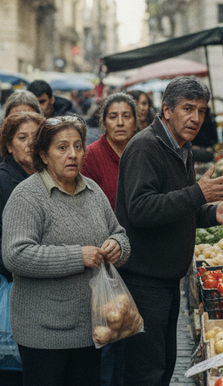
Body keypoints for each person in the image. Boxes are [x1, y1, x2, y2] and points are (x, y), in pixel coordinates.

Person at [115, 77, 223, 386]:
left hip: (166, 279)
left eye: (201, 111)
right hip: (143, 282)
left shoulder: (182, 148)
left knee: (163, 367)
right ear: (167, 110)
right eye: (187, 109)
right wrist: (199, 195)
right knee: (146, 372)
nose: (195, 118)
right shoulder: (145, 148)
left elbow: (179, 208)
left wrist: (213, 212)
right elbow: (141, 210)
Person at [2, 116, 131, 386]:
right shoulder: (27, 196)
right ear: (43, 155)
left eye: (78, 146)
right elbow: (15, 254)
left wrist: (118, 246)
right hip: (44, 335)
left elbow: (119, 233)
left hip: (91, 329)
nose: (72, 154)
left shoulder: (93, 191)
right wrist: (76, 256)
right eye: (62, 148)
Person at [0, 111, 44, 386]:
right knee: (12, 370)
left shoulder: (49, 176)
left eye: (35, 137)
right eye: (21, 137)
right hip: (14, 290)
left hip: (46, 294)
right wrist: (19, 264)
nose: (29, 143)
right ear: (9, 144)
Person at [80, 93, 137, 386]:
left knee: (130, 335)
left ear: (135, 121)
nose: (120, 122)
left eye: (126, 116)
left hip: (137, 258)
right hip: (104, 260)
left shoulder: (140, 153)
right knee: (107, 337)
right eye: (113, 116)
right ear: (103, 121)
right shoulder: (91, 156)